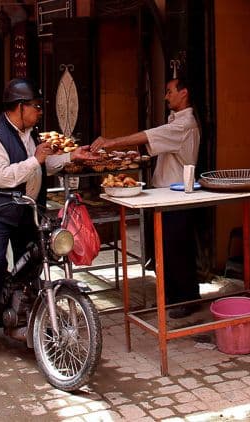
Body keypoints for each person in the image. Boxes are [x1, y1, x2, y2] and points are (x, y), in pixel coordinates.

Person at [0, 78, 96, 338]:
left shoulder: (29, 133)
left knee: (35, 258)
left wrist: (71, 156)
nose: (40, 111)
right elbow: (2, 177)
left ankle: (24, 307)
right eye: (36, 106)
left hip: (26, 208)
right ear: (20, 106)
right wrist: (36, 159)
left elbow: (40, 166)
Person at [90, 78, 201, 318]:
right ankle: (172, 298)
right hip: (165, 193)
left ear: (184, 93)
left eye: (170, 91)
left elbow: (148, 136)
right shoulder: (176, 121)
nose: (166, 96)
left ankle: (187, 299)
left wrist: (111, 142)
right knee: (168, 250)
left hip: (177, 195)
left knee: (177, 249)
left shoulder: (185, 124)